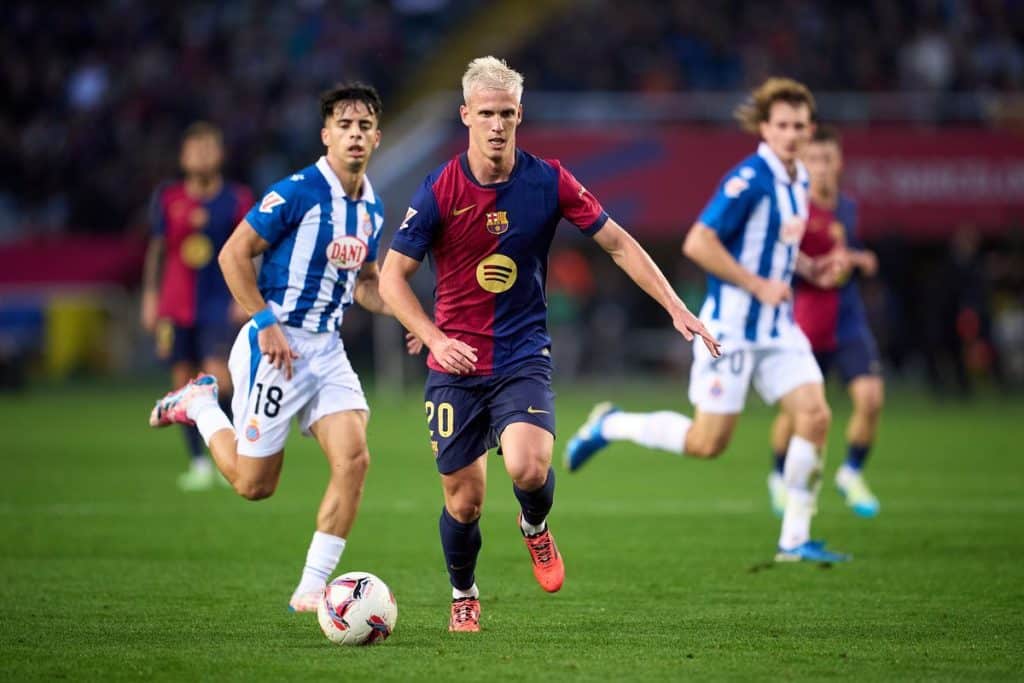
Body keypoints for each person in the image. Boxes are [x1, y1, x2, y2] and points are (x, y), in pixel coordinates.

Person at [378, 56, 718, 633]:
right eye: (485, 113)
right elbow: (391, 277)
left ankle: (534, 527)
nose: (496, 125)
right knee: (464, 503)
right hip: (453, 364)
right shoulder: (439, 188)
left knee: (529, 469)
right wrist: (433, 335)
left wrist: (674, 305)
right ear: (466, 115)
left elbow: (617, 243)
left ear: (519, 115)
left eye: (506, 113)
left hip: (520, 356)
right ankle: (464, 591)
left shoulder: (549, 180)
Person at [566, 78, 850, 564]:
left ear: (811, 129)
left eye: (799, 126)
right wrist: (758, 285)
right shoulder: (749, 180)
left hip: (777, 328)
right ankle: (611, 424)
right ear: (764, 127)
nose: (791, 134)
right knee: (706, 443)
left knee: (816, 415)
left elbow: (776, 247)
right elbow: (699, 242)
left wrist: (808, 269)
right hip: (732, 330)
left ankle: (795, 539)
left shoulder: (798, 178)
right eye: (782, 125)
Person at [148, 83, 405, 612]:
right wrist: (265, 321)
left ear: (377, 137)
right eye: (344, 125)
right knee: (252, 485)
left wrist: (417, 320)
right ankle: (199, 405)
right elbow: (232, 255)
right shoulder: (297, 191)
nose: (354, 134)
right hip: (277, 347)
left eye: (364, 127)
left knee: (354, 459)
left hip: (327, 350)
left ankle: (312, 587)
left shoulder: (372, 208)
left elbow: (365, 284)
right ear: (326, 134)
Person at [767, 125, 884, 519]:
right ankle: (778, 477)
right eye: (813, 159)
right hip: (806, 325)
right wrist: (825, 268)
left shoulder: (847, 207)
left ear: (839, 162)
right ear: (803, 163)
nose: (821, 166)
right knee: (797, 413)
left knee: (870, 399)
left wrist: (856, 258)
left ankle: (850, 473)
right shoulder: (794, 209)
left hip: (848, 323)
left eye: (827, 158)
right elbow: (786, 263)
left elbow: (842, 253)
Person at [141, 122, 253, 491]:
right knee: (182, 382)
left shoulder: (237, 198)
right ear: (183, 156)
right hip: (176, 304)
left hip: (219, 302)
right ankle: (200, 463)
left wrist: (246, 295)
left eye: (208, 148)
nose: (202, 155)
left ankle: (233, 452)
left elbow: (251, 249)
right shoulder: (169, 197)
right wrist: (150, 297)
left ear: (220, 155)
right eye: (195, 149)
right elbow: (158, 249)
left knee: (218, 378)